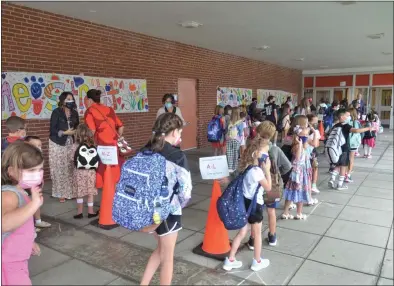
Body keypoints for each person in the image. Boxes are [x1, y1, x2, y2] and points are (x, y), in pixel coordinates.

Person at [140, 113, 192, 286]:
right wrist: (179, 204)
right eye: (180, 132)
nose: (181, 136)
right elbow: (185, 192)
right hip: (168, 212)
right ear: (175, 132)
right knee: (168, 259)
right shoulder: (177, 156)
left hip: (147, 210)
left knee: (161, 249)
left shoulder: (145, 150)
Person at [222, 137, 271, 272]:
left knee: (242, 232)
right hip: (255, 207)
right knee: (258, 234)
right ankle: (257, 261)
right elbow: (268, 188)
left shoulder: (247, 168)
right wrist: (267, 170)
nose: (267, 156)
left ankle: (230, 260)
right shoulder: (258, 172)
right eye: (265, 153)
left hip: (245, 205)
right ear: (256, 154)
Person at [1, 141, 44, 285]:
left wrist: (30, 241)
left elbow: (22, 224)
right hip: (8, 261)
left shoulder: (21, 191)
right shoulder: (8, 194)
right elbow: (4, 224)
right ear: (11, 171)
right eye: (31, 171)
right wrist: (34, 205)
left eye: (39, 169)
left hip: (18, 257)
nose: (37, 174)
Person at [246, 121, 292, 248]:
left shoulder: (252, 148)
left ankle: (253, 239)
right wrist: (277, 174)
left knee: (255, 214)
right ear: (272, 135)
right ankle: (272, 236)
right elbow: (287, 166)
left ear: (258, 132)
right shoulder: (275, 149)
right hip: (273, 184)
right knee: (271, 212)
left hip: (256, 186)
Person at [84, 89, 125, 190]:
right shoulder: (109, 109)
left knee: (103, 171)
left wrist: (86, 143)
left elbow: (92, 131)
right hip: (114, 144)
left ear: (89, 100)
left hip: (102, 145)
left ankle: (107, 196)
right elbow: (121, 126)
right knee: (114, 170)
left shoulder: (90, 111)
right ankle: (115, 194)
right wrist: (116, 137)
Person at [328, 109, 374, 190]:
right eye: (347, 116)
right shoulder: (346, 125)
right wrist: (368, 128)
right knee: (343, 166)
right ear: (342, 117)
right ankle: (339, 185)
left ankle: (332, 179)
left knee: (337, 165)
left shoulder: (336, 125)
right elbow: (356, 131)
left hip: (336, 148)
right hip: (344, 148)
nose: (348, 117)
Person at [281, 115, 314, 220]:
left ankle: (288, 212)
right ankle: (296, 213)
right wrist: (300, 144)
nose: (306, 136)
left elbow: (311, 145)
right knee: (297, 191)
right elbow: (298, 157)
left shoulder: (304, 145)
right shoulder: (296, 146)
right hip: (297, 172)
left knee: (296, 191)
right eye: (304, 135)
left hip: (301, 171)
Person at [48, 92, 79, 203]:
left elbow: (77, 126)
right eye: (68, 99)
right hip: (57, 142)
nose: (70, 100)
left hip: (71, 142)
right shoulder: (56, 112)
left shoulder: (74, 113)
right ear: (62, 100)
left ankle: (71, 192)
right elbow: (52, 129)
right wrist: (65, 132)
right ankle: (61, 193)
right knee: (59, 168)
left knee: (71, 167)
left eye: (71, 98)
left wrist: (76, 132)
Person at [71, 124, 99, 219]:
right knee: (90, 192)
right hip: (90, 173)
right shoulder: (92, 145)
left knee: (80, 193)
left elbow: (72, 158)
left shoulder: (74, 146)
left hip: (79, 172)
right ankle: (90, 212)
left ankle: (79, 212)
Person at [24, 136, 51, 232]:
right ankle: (30, 225)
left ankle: (38, 221)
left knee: (37, 202)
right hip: (26, 187)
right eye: (35, 145)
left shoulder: (39, 157)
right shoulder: (24, 158)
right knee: (27, 204)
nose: (38, 147)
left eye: (40, 145)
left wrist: (41, 181)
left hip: (36, 185)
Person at [306, 114, 321, 200]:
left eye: (316, 121)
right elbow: (314, 143)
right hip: (304, 153)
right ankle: (308, 189)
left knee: (315, 168)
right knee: (307, 171)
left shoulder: (316, 131)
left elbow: (316, 144)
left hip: (312, 152)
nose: (315, 123)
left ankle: (313, 185)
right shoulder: (304, 131)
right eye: (313, 121)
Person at [226, 107, 244, 173]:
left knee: (229, 154)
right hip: (236, 140)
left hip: (229, 139)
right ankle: (234, 167)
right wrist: (240, 140)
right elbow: (241, 132)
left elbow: (227, 130)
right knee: (235, 154)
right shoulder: (240, 122)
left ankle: (229, 168)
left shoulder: (229, 121)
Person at [346, 107, 362, 182]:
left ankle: (344, 173)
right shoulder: (357, 122)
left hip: (346, 142)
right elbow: (360, 133)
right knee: (351, 159)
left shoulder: (346, 122)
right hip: (353, 143)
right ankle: (348, 175)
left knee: (345, 159)